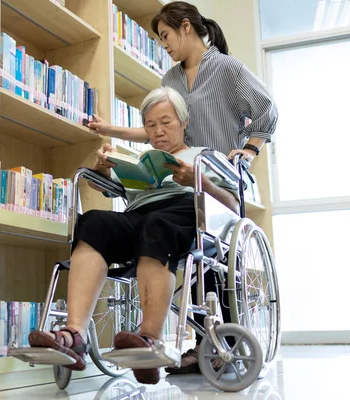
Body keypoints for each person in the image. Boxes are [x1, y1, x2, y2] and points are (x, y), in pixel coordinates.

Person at [88, 1, 278, 374]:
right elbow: (161, 126)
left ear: (187, 27)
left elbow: (267, 110)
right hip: (181, 180)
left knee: (210, 252)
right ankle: (196, 343)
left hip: (219, 177)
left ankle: (220, 340)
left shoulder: (226, 68)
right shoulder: (170, 80)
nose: (164, 46)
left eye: (165, 36)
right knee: (178, 237)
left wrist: (249, 150)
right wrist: (113, 131)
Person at [28, 87, 240, 385]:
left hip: (184, 215)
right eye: (151, 125)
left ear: (184, 122)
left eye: (166, 122)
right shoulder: (142, 159)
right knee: (93, 222)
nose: (158, 131)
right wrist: (101, 169)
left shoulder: (204, 157)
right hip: (136, 217)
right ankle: (75, 335)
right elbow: (104, 185)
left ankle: (148, 340)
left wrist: (198, 179)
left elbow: (233, 206)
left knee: (157, 224)